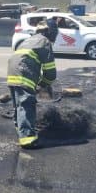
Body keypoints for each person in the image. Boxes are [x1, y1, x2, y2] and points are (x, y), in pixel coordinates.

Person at [7, 19, 58, 149]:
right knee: (26, 104)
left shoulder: (29, 40)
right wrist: (44, 84)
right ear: (50, 32)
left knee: (18, 104)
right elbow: (50, 71)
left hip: (12, 72)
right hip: (23, 72)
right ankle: (27, 139)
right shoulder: (44, 41)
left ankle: (20, 129)